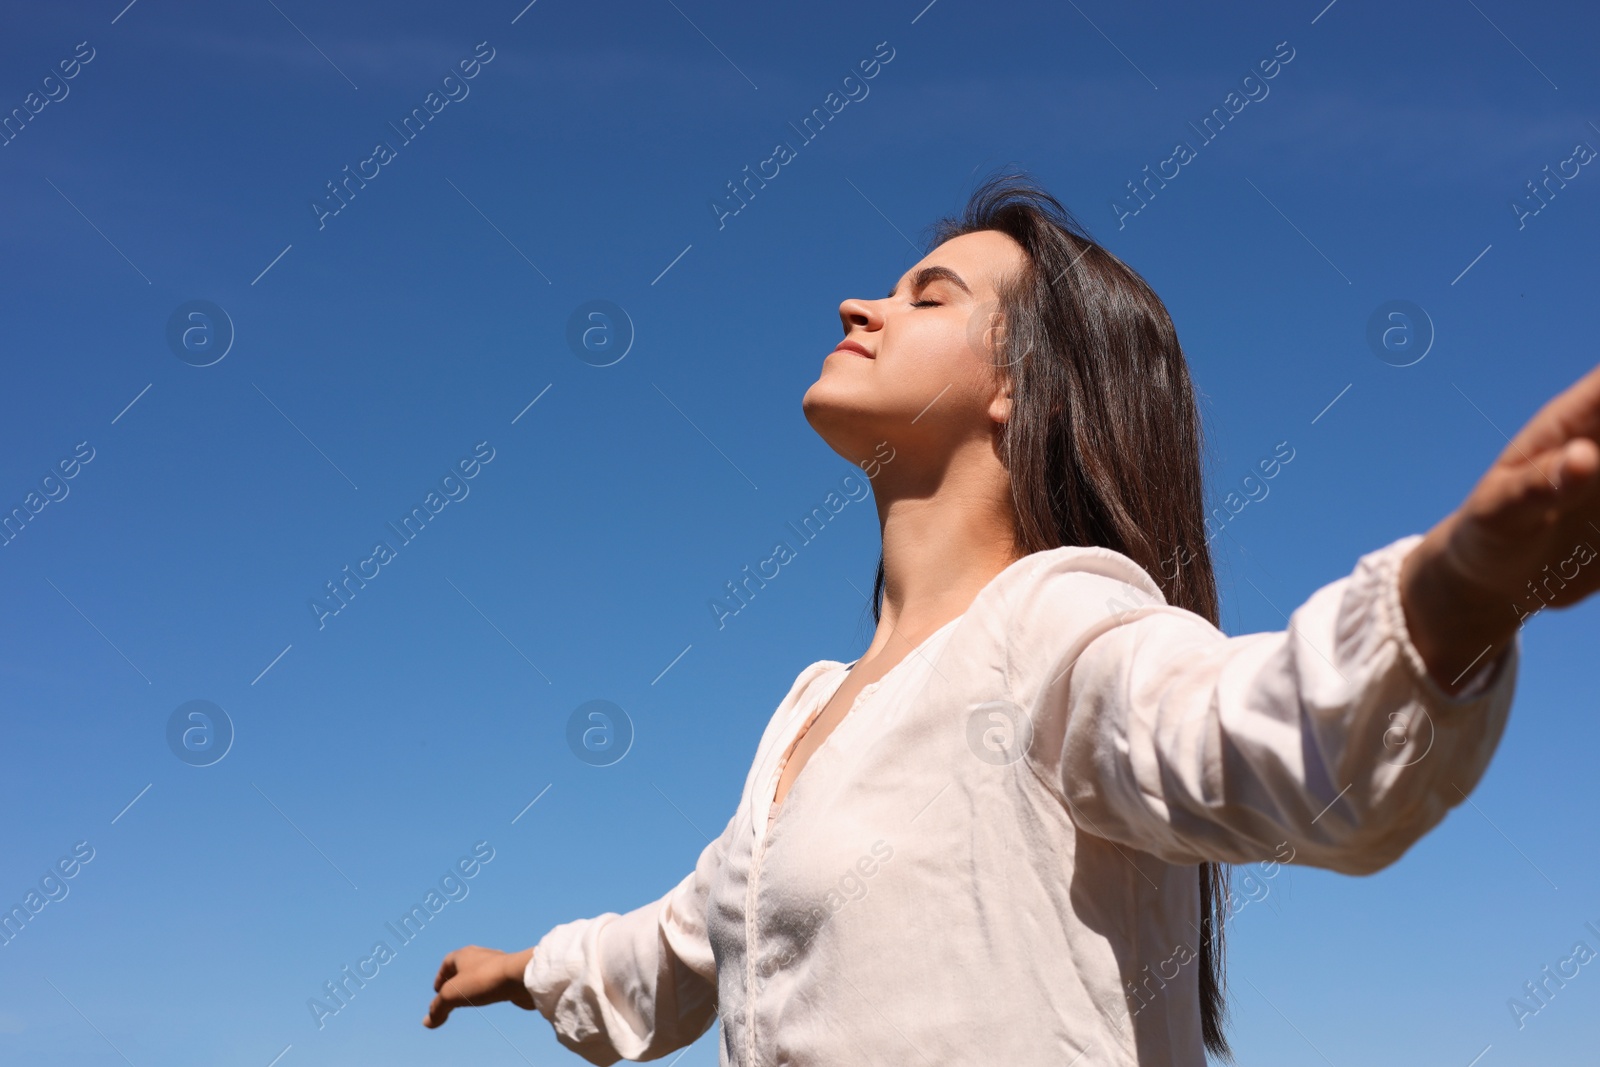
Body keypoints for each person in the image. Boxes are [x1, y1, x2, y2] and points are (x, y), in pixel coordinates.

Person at [421, 175, 1600, 1064]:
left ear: (1018, 386)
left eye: (927, 294)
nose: (860, 303)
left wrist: (1453, 594)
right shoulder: (802, 715)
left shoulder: (1055, 625)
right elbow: (674, 947)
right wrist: (519, 969)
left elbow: (1259, 738)